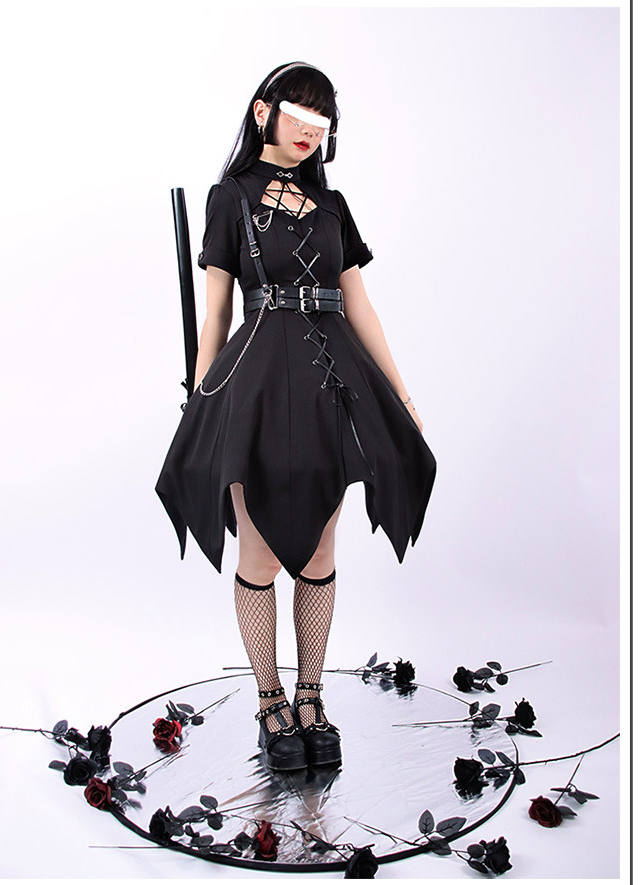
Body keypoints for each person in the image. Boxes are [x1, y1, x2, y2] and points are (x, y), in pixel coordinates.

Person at [156, 62, 436, 772]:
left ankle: (311, 697)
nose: (312, 130)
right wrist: (200, 398)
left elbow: (359, 305)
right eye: (299, 114)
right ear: (263, 113)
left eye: (323, 120)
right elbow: (216, 312)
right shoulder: (230, 198)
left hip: (333, 386)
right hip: (255, 384)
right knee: (258, 551)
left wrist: (402, 395)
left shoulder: (334, 205)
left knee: (318, 548)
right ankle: (270, 701)